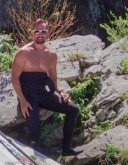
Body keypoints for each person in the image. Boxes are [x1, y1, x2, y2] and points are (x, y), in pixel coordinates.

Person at [10, 19, 80, 157]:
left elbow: (53, 78)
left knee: (73, 109)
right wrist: (22, 101)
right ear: (32, 33)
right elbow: (14, 77)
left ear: (48, 34)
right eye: (37, 31)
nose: (40, 34)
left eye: (43, 31)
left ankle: (66, 148)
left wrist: (61, 92)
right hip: (28, 95)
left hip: (44, 93)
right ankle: (34, 156)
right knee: (35, 131)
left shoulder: (51, 55)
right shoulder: (23, 52)